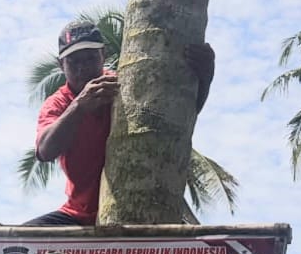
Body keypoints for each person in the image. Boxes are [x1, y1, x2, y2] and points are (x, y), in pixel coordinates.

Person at [24, 19, 216, 226]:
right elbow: (45, 151)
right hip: (80, 215)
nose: (83, 68)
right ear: (61, 65)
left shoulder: (125, 86)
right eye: (74, 62)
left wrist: (204, 79)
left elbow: (173, 119)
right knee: (17, 244)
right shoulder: (59, 103)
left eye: (90, 58)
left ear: (103, 55)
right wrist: (79, 107)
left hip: (138, 209)